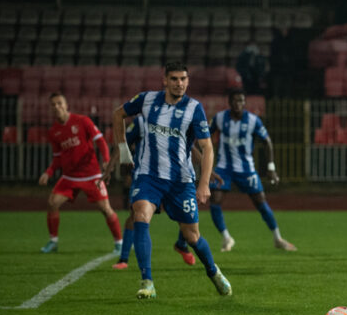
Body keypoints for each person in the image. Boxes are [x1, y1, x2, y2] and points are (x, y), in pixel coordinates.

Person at [106, 61, 231, 300]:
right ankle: (147, 282)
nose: (179, 83)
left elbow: (206, 147)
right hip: (148, 176)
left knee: (191, 236)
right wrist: (123, 150)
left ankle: (214, 272)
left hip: (180, 181)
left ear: (188, 81)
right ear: (164, 80)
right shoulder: (147, 100)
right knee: (141, 216)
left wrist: (203, 183)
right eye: (174, 79)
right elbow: (118, 114)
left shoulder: (194, 108)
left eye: (183, 79)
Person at [208, 89, 297, 253]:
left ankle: (278, 238)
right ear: (229, 102)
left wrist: (271, 168)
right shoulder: (220, 118)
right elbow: (206, 135)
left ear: (244, 103)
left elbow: (267, 142)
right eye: (235, 101)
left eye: (241, 101)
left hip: (246, 168)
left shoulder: (253, 121)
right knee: (215, 200)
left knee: (260, 202)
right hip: (224, 167)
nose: (238, 104)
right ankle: (227, 237)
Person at [38, 93, 122, 254]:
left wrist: (105, 159)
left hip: (91, 175)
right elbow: (57, 157)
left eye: (59, 103)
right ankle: (53, 241)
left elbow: (100, 140)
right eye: (53, 105)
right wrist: (48, 172)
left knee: (106, 209)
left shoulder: (82, 121)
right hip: (69, 177)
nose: (56, 107)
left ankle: (119, 243)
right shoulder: (54, 131)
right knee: (52, 203)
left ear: (66, 104)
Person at [112, 113, 198, 270]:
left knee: (185, 218)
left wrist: (207, 168)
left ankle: (182, 244)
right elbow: (124, 142)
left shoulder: (176, 120)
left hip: (175, 179)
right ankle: (123, 259)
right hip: (149, 179)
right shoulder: (140, 121)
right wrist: (111, 166)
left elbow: (191, 146)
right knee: (136, 216)